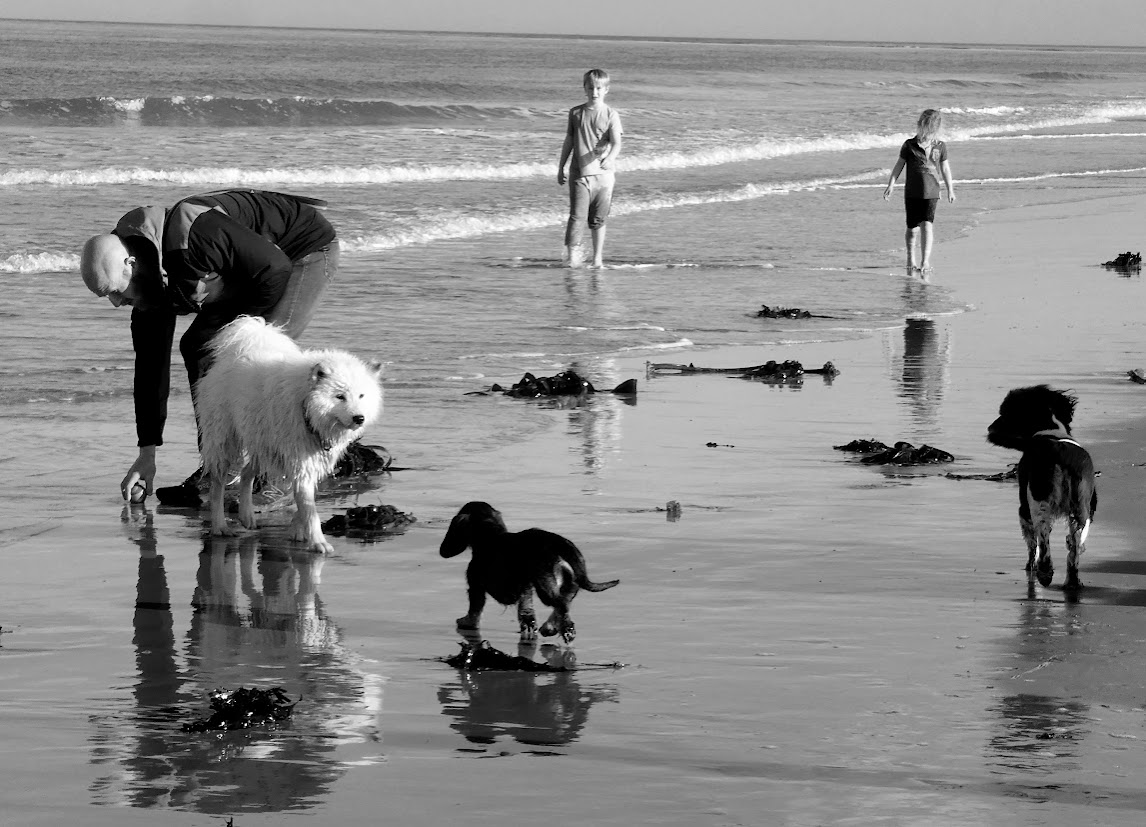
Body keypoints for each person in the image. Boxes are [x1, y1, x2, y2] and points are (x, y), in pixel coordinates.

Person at [80, 189, 339, 503]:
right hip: (253, 272)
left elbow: (275, 268)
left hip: (300, 252)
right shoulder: (147, 282)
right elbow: (150, 370)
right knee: (200, 348)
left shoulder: (193, 236)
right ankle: (219, 466)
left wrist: (241, 335)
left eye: (115, 291)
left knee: (257, 359)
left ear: (131, 264)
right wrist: (146, 455)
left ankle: (278, 474)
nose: (116, 302)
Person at [557, 68, 624, 268]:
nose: (594, 92)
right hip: (580, 174)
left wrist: (610, 158)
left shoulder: (611, 114)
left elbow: (617, 143)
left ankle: (597, 259)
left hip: (603, 177)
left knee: (597, 220)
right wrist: (561, 167)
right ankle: (572, 259)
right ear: (584, 88)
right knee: (576, 216)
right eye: (590, 88)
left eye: (598, 88)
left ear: (606, 90)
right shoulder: (575, 113)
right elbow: (569, 140)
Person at [883, 109, 955, 276]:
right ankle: (910, 257)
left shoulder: (940, 146)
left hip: (932, 192)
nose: (927, 133)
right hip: (912, 193)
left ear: (937, 129)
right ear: (920, 126)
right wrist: (891, 185)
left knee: (927, 225)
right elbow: (899, 165)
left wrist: (950, 189)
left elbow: (945, 168)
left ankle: (925, 261)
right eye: (925, 129)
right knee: (912, 229)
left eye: (931, 130)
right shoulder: (909, 145)